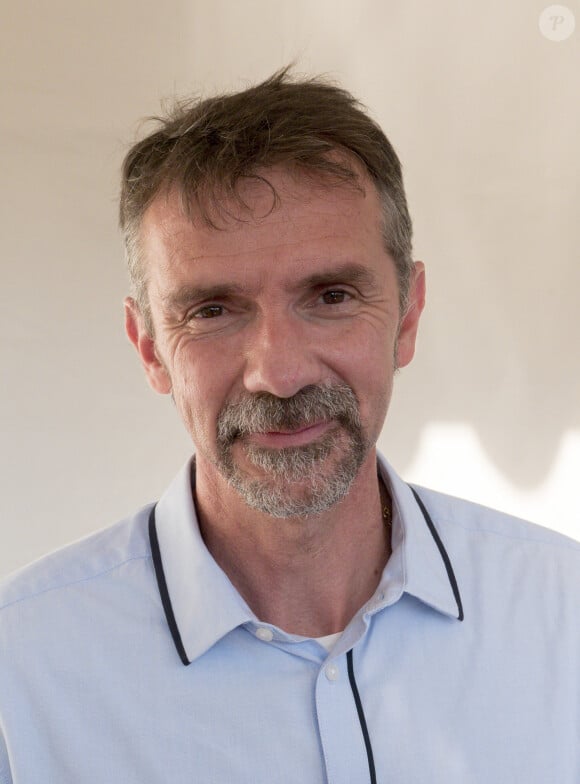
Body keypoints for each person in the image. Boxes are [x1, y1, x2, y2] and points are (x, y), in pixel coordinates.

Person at [0, 68, 579, 783]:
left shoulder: (566, 614)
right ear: (149, 348)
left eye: (331, 296)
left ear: (408, 315)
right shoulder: (18, 675)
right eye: (213, 310)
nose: (279, 374)